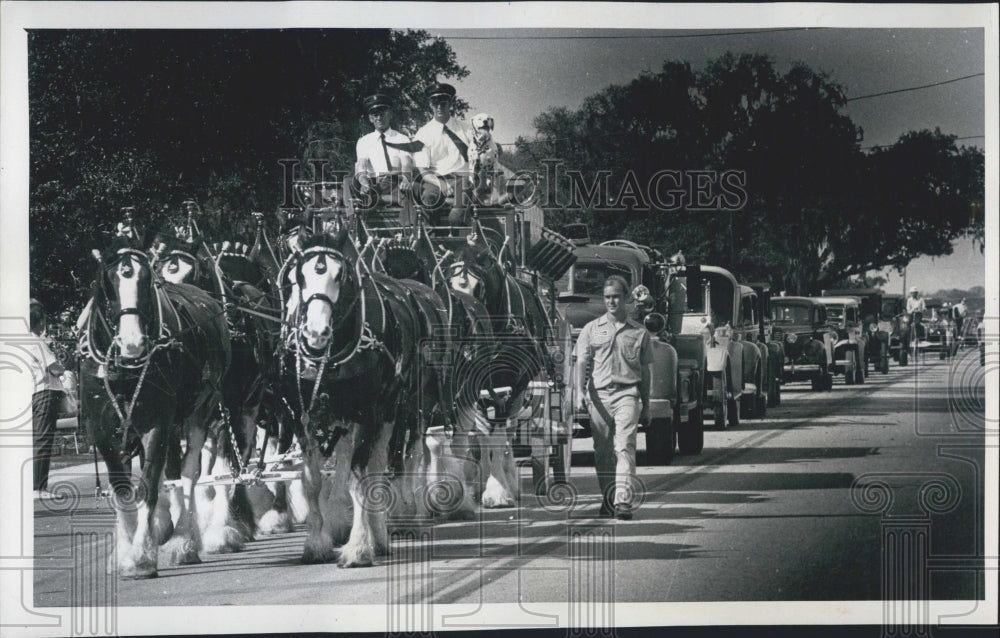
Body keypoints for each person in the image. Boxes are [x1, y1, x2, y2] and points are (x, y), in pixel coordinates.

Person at [573, 275, 652, 520]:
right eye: (607, 297)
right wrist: (578, 393)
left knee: (625, 447)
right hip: (599, 397)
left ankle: (623, 502)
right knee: (603, 452)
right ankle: (608, 498)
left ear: (626, 298)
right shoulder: (591, 329)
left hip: (627, 394)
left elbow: (646, 370)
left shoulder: (639, 332)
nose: (612, 302)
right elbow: (582, 361)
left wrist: (647, 405)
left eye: (616, 297)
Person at [412, 82, 475, 226]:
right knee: (428, 198)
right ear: (430, 105)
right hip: (435, 180)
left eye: (443, 103)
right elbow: (423, 171)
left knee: (457, 214)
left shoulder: (467, 130)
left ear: (450, 104)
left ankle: (459, 241)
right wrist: (441, 184)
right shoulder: (423, 134)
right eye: (435, 103)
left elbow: (480, 154)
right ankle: (431, 243)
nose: (439, 107)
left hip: (462, 179)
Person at [352, 93, 416, 225]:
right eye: (375, 115)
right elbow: (361, 166)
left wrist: (405, 178)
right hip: (373, 184)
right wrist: (364, 182)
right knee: (349, 182)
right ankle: (354, 224)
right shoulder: (364, 141)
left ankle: (408, 232)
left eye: (382, 113)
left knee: (408, 189)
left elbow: (406, 163)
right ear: (370, 118)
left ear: (390, 114)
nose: (379, 118)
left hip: (394, 182)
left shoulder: (402, 138)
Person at [28, 299, 66, 499]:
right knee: (43, 439)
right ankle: (38, 487)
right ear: (39, 320)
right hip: (45, 392)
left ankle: (37, 485)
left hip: (34, 392)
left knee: (39, 437)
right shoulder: (35, 341)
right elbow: (54, 367)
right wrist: (62, 367)